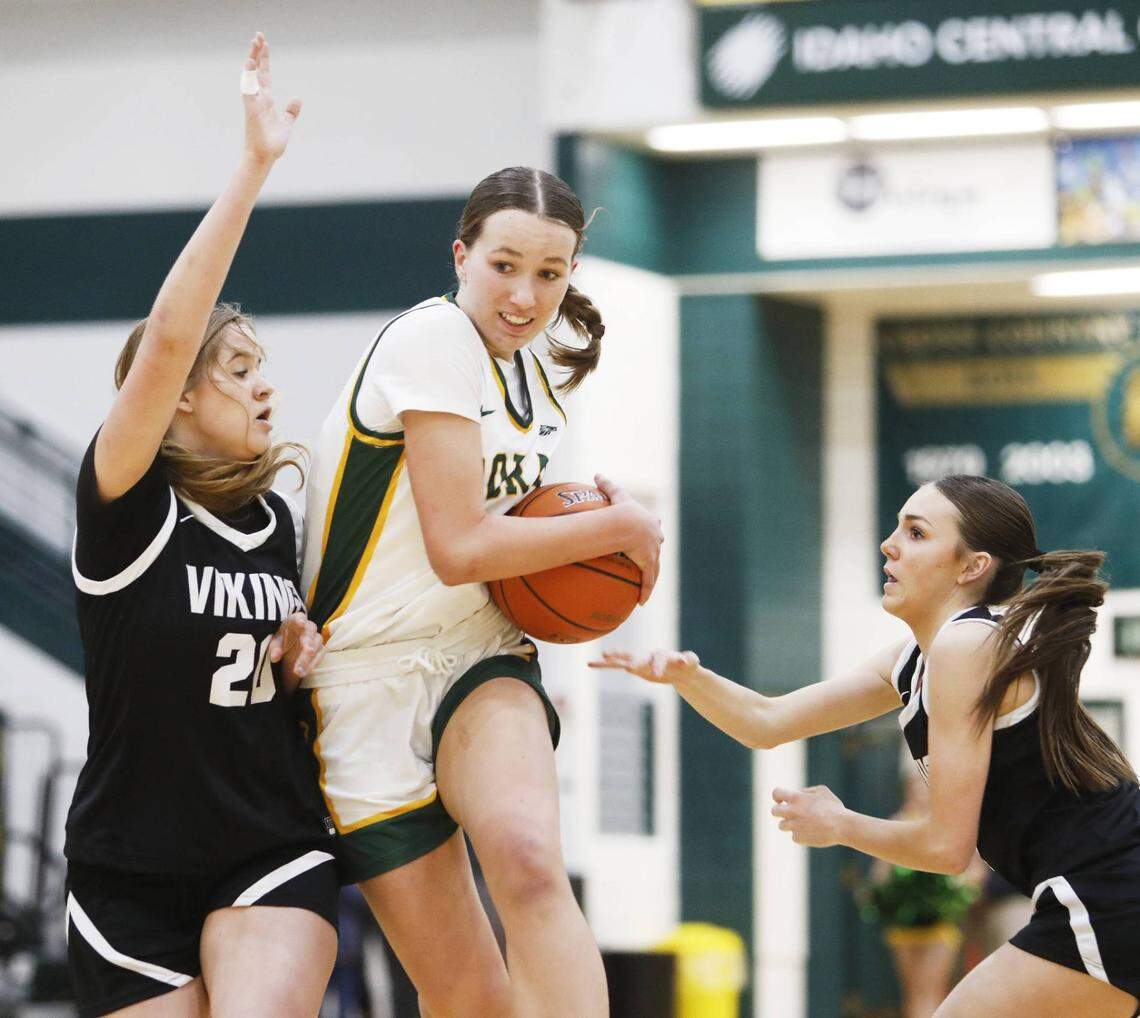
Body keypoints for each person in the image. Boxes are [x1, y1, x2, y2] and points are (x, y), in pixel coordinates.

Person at [299, 166, 664, 1017]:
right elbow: (461, 544)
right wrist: (620, 530)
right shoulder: (429, 341)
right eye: (504, 265)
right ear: (460, 255)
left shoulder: (537, 380)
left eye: (550, 272)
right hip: (360, 680)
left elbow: (498, 563)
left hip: (477, 651)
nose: (525, 294)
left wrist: (602, 551)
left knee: (532, 863)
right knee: (467, 996)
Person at [593, 474, 1140, 1018]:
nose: (889, 543)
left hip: (1108, 889)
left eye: (916, 532)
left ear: (972, 566)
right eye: (897, 526)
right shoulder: (917, 657)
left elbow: (947, 849)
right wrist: (687, 677)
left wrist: (839, 823)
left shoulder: (967, 643)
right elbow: (767, 721)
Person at [64, 35, 339, 1018]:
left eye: (262, 361)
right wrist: (254, 166)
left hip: (268, 845)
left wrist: (301, 663)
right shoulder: (125, 511)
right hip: (127, 874)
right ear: (173, 399)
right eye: (236, 368)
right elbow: (173, 332)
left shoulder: (281, 520)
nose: (263, 381)